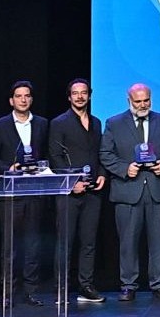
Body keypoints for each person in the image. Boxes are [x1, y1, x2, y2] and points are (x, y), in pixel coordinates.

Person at [100, 83, 160, 301]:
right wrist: (124, 169)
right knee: (128, 242)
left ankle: (159, 283)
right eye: (138, 101)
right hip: (127, 191)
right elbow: (106, 154)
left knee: (159, 241)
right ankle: (128, 284)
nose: (143, 105)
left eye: (146, 100)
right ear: (129, 101)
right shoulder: (114, 123)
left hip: (158, 189)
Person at [0, 80, 54, 304]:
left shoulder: (42, 124)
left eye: (27, 96)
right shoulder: (0, 125)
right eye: (18, 96)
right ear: (11, 101)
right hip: (11, 193)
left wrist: (42, 167)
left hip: (35, 192)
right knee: (10, 246)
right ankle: (8, 292)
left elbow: (46, 154)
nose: (23, 100)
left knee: (33, 244)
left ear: (31, 99)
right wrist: (9, 168)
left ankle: (31, 291)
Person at [49, 79, 109, 304]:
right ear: (69, 97)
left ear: (89, 96)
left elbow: (101, 152)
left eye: (84, 93)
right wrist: (71, 182)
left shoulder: (96, 122)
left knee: (89, 241)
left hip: (92, 190)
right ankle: (61, 289)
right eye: (75, 93)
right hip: (68, 191)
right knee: (65, 241)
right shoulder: (59, 123)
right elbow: (55, 156)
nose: (80, 96)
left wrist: (102, 174)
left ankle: (86, 286)